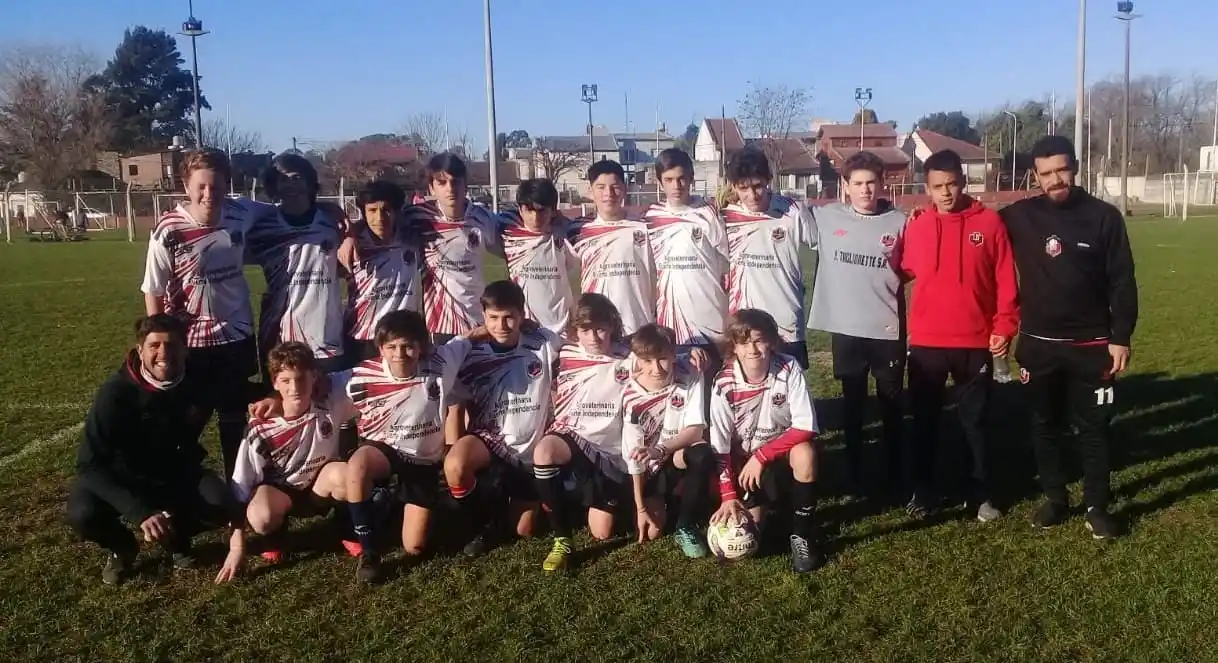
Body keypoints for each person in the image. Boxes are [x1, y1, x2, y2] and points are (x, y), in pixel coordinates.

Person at [1000, 135, 1137, 539]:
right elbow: (974, 222)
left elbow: (1123, 281)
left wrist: (1121, 335)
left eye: (1062, 169)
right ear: (1035, 176)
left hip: (1092, 345)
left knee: (1094, 428)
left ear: (1075, 167)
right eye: (1046, 173)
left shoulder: (1104, 217)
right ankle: (1056, 498)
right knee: (1044, 425)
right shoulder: (1018, 216)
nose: (1055, 179)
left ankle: (1097, 506)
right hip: (1038, 345)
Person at [66, 314, 242, 585]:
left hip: (172, 471)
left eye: (171, 345)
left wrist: (276, 396)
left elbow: (241, 392)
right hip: (121, 476)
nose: (163, 353)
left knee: (219, 503)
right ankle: (122, 548)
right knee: (83, 513)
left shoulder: (197, 377)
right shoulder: (115, 394)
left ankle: (176, 539)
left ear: (185, 349)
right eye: (154, 346)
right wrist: (139, 511)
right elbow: (88, 464)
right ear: (140, 350)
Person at [899, 149, 1019, 522]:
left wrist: (1005, 326)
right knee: (925, 423)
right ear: (927, 188)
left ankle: (981, 494)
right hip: (927, 344)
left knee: (976, 423)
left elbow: (1005, 281)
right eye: (938, 186)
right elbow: (899, 270)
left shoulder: (991, 223)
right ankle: (924, 491)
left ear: (963, 182)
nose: (946, 192)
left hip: (974, 341)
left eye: (952, 183)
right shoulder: (917, 226)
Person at [141, 148, 258, 477]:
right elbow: (153, 288)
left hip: (236, 335)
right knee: (188, 418)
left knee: (234, 417)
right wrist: (160, 340)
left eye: (217, 186)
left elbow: (288, 211)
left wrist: (340, 222)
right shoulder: (169, 229)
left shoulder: (242, 213)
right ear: (186, 186)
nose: (210, 194)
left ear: (227, 185)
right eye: (201, 187)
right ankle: (179, 486)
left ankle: (238, 487)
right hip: (190, 342)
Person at [805, 151, 909, 498]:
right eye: (858, 183)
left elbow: (912, 267)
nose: (865, 190)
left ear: (881, 184)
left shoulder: (900, 222)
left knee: (891, 405)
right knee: (853, 406)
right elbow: (783, 214)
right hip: (847, 331)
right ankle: (854, 474)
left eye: (871, 183)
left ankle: (896, 474)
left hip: (887, 329)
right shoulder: (824, 217)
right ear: (845, 187)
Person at [340, 310, 468, 583]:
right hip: (383, 449)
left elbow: (469, 337)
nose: (400, 354)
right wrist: (273, 400)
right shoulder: (361, 375)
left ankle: (390, 502)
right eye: (392, 347)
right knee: (357, 466)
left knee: (415, 547)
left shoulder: (441, 362)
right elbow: (314, 385)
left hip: (423, 463)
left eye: (408, 346)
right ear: (381, 349)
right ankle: (369, 551)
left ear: (422, 346)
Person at [443, 280, 564, 555]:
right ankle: (484, 523)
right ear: (483, 317)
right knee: (455, 466)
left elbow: (578, 350)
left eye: (509, 317)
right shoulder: (470, 354)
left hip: (530, 450)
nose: (502, 325)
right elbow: (456, 405)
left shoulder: (542, 342)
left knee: (524, 531)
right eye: (493, 318)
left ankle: (538, 492)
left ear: (522, 315)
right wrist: (452, 447)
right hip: (489, 440)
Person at [217, 342, 352, 580]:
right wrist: (237, 547)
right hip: (282, 494)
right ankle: (276, 536)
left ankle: (348, 527)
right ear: (275, 383)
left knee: (347, 474)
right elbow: (239, 488)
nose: (295, 387)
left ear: (314, 376)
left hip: (319, 486)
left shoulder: (331, 398)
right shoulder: (261, 429)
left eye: (301, 378)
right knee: (261, 515)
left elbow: (370, 371)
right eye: (286, 381)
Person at [709, 309, 823, 573]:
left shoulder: (788, 367)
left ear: (771, 341)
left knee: (805, 453)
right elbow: (720, 445)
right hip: (744, 462)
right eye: (744, 342)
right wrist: (727, 496)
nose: (753, 349)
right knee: (754, 530)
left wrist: (762, 457)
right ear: (733, 346)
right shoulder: (724, 383)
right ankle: (772, 503)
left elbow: (806, 426)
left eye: (759, 340)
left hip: (776, 453)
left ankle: (802, 535)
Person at [619, 325, 717, 558]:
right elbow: (634, 461)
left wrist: (660, 450)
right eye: (648, 361)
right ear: (638, 361)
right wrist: (641, 508)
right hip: (646, 469)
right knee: (651, 532)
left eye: (662, 358)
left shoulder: (691, 372)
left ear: (673, 354)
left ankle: (685, 524)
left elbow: (695, 429)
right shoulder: (631, 395)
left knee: (701, 454)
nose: (656, 368)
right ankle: (664, 500)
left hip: (672, 454)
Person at [245, 153, 347, 376]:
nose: (291, 184)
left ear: (310, 182)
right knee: (284, 407)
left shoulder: (332, 222)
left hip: (326, 335)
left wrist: (350, 235)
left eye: (296, 177)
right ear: (275, 186)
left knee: (328, 406)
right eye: (283, 179)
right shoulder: (263, 227)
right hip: (279, 335)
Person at [721, 148, 817, 369]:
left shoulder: (793, 211)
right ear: (734, 186)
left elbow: (823, 245)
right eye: (743, 188)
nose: (752, 195)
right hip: (745, 326)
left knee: (792, 390)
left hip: (787, 322)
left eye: (757, 186)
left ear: (769, 180)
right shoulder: (726, 218)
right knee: (750, 392)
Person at [403, 153, 502, 344]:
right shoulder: (417, 217)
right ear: (432, 187)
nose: (450, 189)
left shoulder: (483, 218)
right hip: (440, 324)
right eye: (442, 182)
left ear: (465, 185)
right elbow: (378, 220)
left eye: (455, 182)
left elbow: (511, 239)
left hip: (479, 320)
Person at [644, 148, 728, 353]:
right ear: (659, 181)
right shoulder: (651, 218)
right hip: (671, 324)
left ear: (691, 178)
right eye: (669, 179)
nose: (677, 186)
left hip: (711, 321)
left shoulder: (708, 214)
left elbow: (727, 262)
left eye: (682, 179)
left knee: (712, 383)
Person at [567, 160, 656, 336]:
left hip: (638, 327)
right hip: (597, 331)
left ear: (624, 190)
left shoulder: (644, 227)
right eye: (601, 187)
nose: (609, 193)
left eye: (615, 187)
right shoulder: (577, 232)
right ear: (590, 191)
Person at [339, 180, 420, 364]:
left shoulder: (412, 238)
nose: (380, 218)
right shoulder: (352, 244)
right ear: (364, 212)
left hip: (402, 336)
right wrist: (349, 235)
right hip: (362, 337)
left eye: (386, 210)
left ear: (397, 212)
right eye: (372, 211)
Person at [501, 178, 578, 333]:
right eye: (529, 210)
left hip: (560, 328)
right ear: (520, 210)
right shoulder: (507, 233)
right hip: (524, 328)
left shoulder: (566, 235)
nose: (535, 217)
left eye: (542, 210)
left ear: (553, 210)